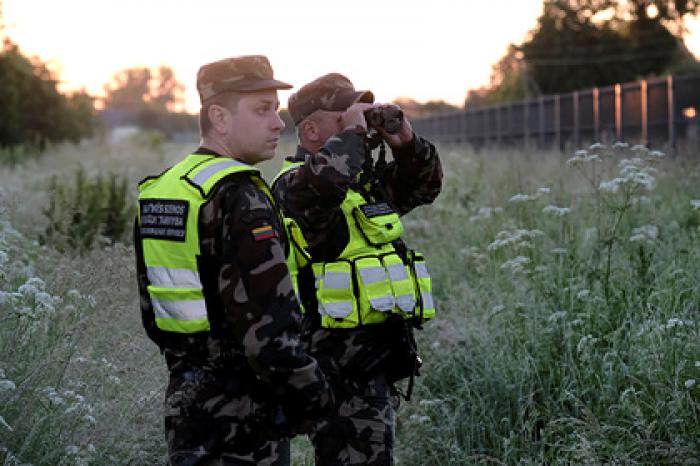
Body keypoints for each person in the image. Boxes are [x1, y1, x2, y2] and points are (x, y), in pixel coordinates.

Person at [134, 55, 332, 466]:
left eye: (276, 110)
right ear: (219, 118)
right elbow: (269, 334)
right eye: (263, 110)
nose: (278, 123)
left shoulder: (165, 189)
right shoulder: (240, 195)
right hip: (246, 419)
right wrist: (316, 397)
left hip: (187, 403)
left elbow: (154, 310)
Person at [271, 73, 443, 466]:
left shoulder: (361, 187)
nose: (361, 121)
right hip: (334, 371)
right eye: (345, 116)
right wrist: (354, 136)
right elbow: (324, 183)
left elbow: (425, 187)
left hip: (374, 363)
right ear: (311, 129)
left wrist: (406, 143)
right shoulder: (294, 186)